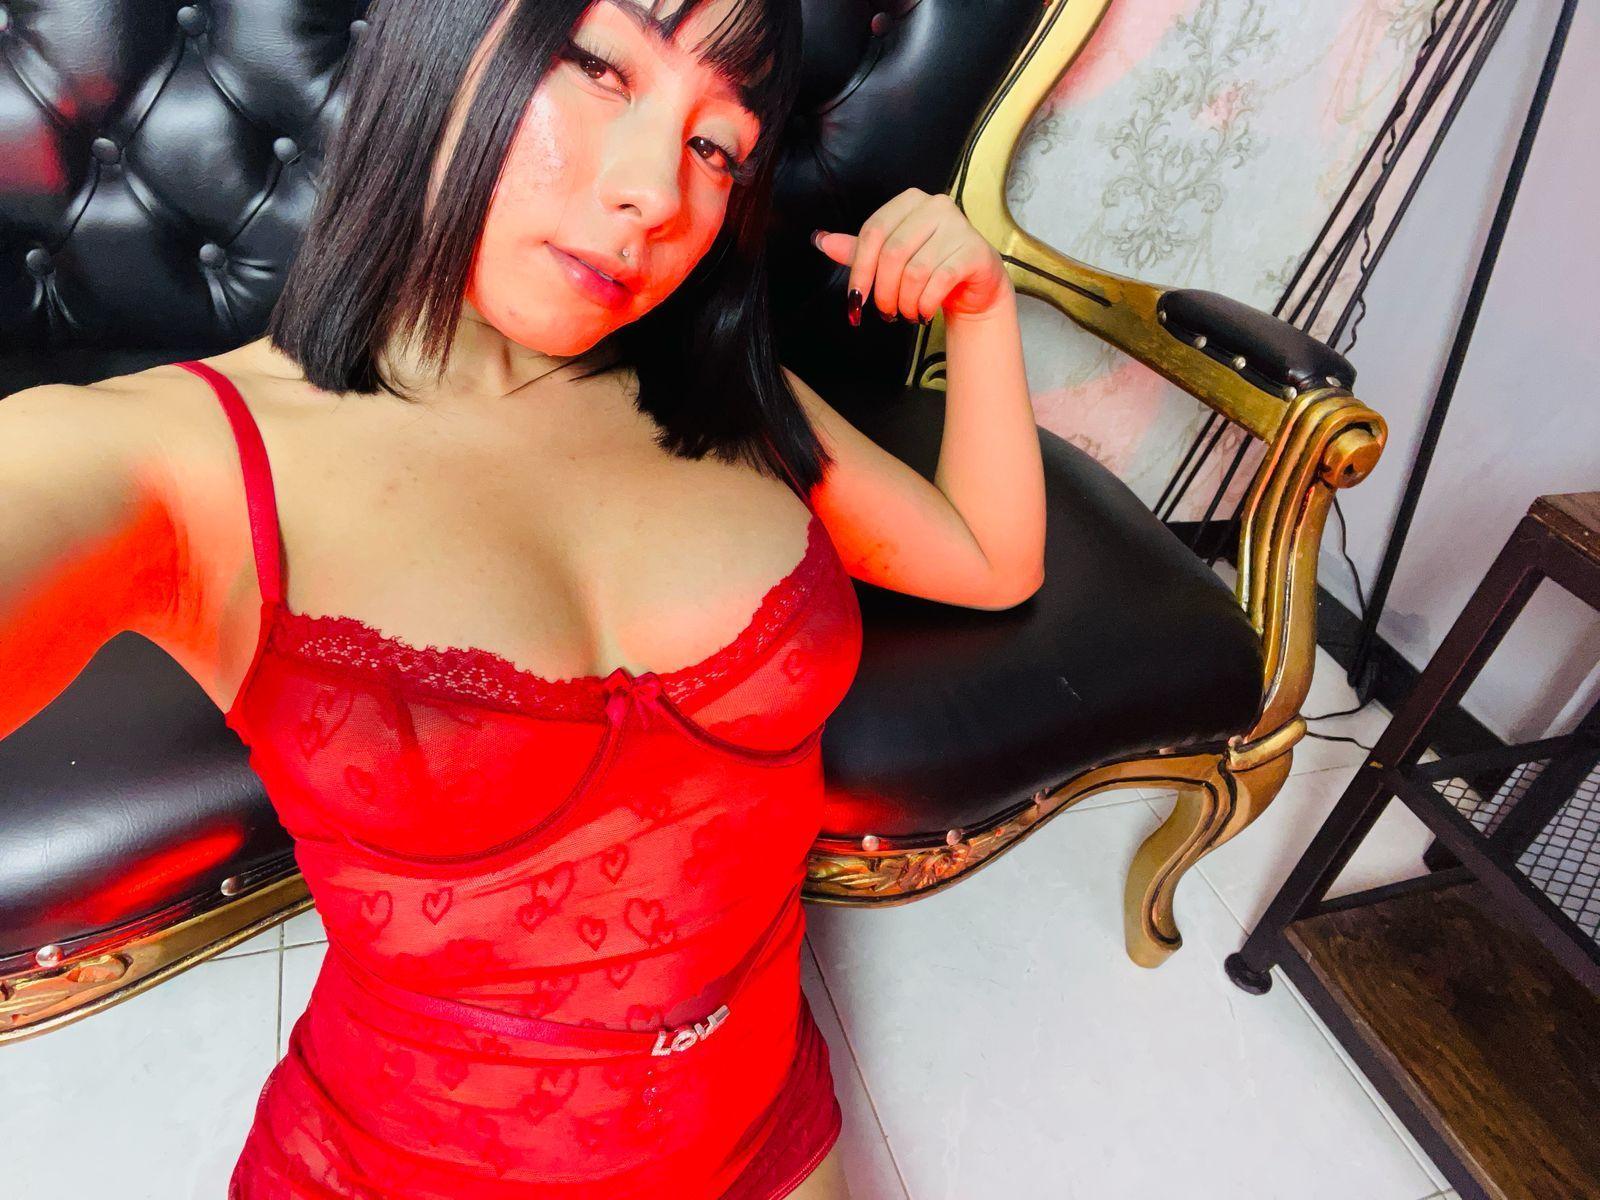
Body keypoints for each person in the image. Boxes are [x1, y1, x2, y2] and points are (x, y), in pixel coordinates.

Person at [0, 0, 1045, 1195]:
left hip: (772, 1139)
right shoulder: (172, 461)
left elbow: (991, 560)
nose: (655, 193)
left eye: (717, 145)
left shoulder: (735, 401)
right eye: (596, 65)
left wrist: (981, 310)